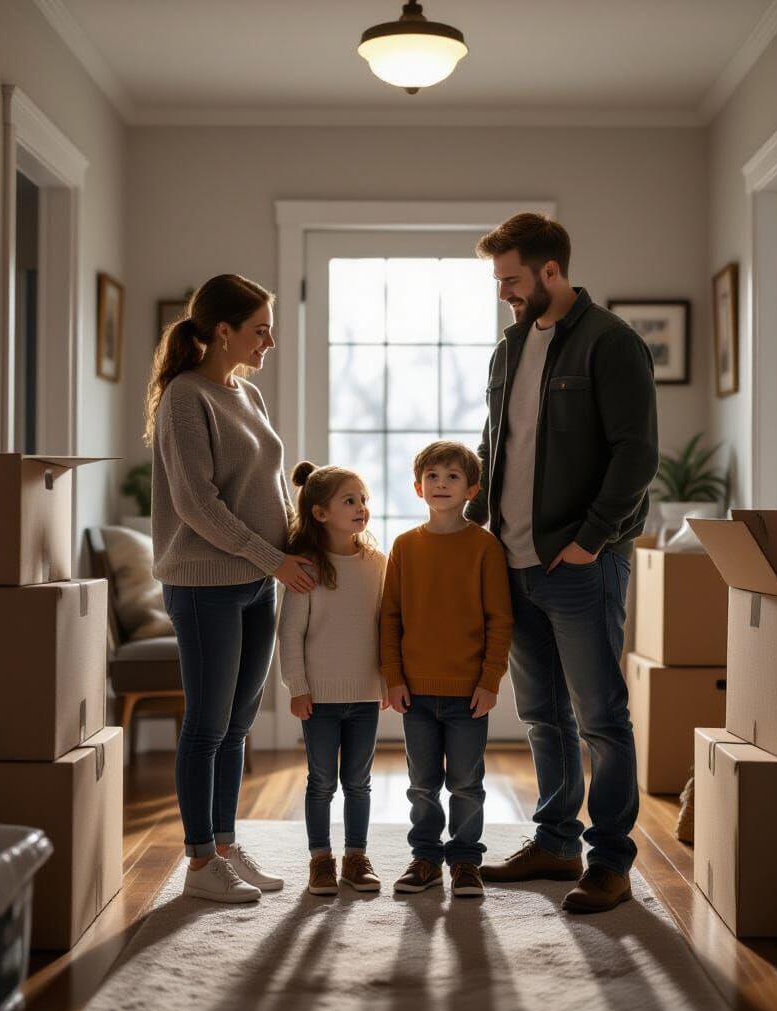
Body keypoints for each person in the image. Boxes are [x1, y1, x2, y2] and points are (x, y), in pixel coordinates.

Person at [466, 212, 659, 914]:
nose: (504, 294)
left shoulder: (612, 343)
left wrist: (591, 538)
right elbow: (495, 444)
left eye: (512, 279)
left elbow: (636, 454)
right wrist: (470, 521)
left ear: (551, 271)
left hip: (580, 564)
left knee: (600, 716)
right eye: (499, 281)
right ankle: (555, 842)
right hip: (513, 561)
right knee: (543, 715)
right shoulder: (509, 349)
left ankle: (609, 861)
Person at [147, 273, 316, 904]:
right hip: (205, 586)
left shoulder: (247, 393)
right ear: (224, 331)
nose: (269, 341)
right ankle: (198, 864)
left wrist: (300, 545)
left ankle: (222, 844)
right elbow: (197, 504)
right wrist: (272, 558)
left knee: (239, 724)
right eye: (260, 330)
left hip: (255, 582)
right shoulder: (184, 398)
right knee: (207, 725)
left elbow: (268, 488)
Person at [380, 441, 513, 899]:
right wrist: (393, 677)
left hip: (468, 694)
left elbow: (500, 619)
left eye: (453, 476)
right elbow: (390, 618)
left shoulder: (485, 547)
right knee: (421, 786)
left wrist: (490, 680)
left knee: (466, 784)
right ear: (418, 488)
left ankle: (465, 862)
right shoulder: (404, 546)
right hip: (414, 693)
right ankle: (425, 860)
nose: (441, 484)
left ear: (472, 489)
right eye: (432, 476)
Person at [278, 461, 387, 897]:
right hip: (318, 699)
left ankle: (356, 858)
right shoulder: (306, 569)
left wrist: (388, 680)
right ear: (321, 513)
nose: (361, 507)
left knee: (358, 782)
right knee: (321, 782)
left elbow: (385, 626)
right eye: (350, 501)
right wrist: (297, 688)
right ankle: (320, 860)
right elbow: (290, 633)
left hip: (365, 695)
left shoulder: (377, 564)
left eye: (364, 500)